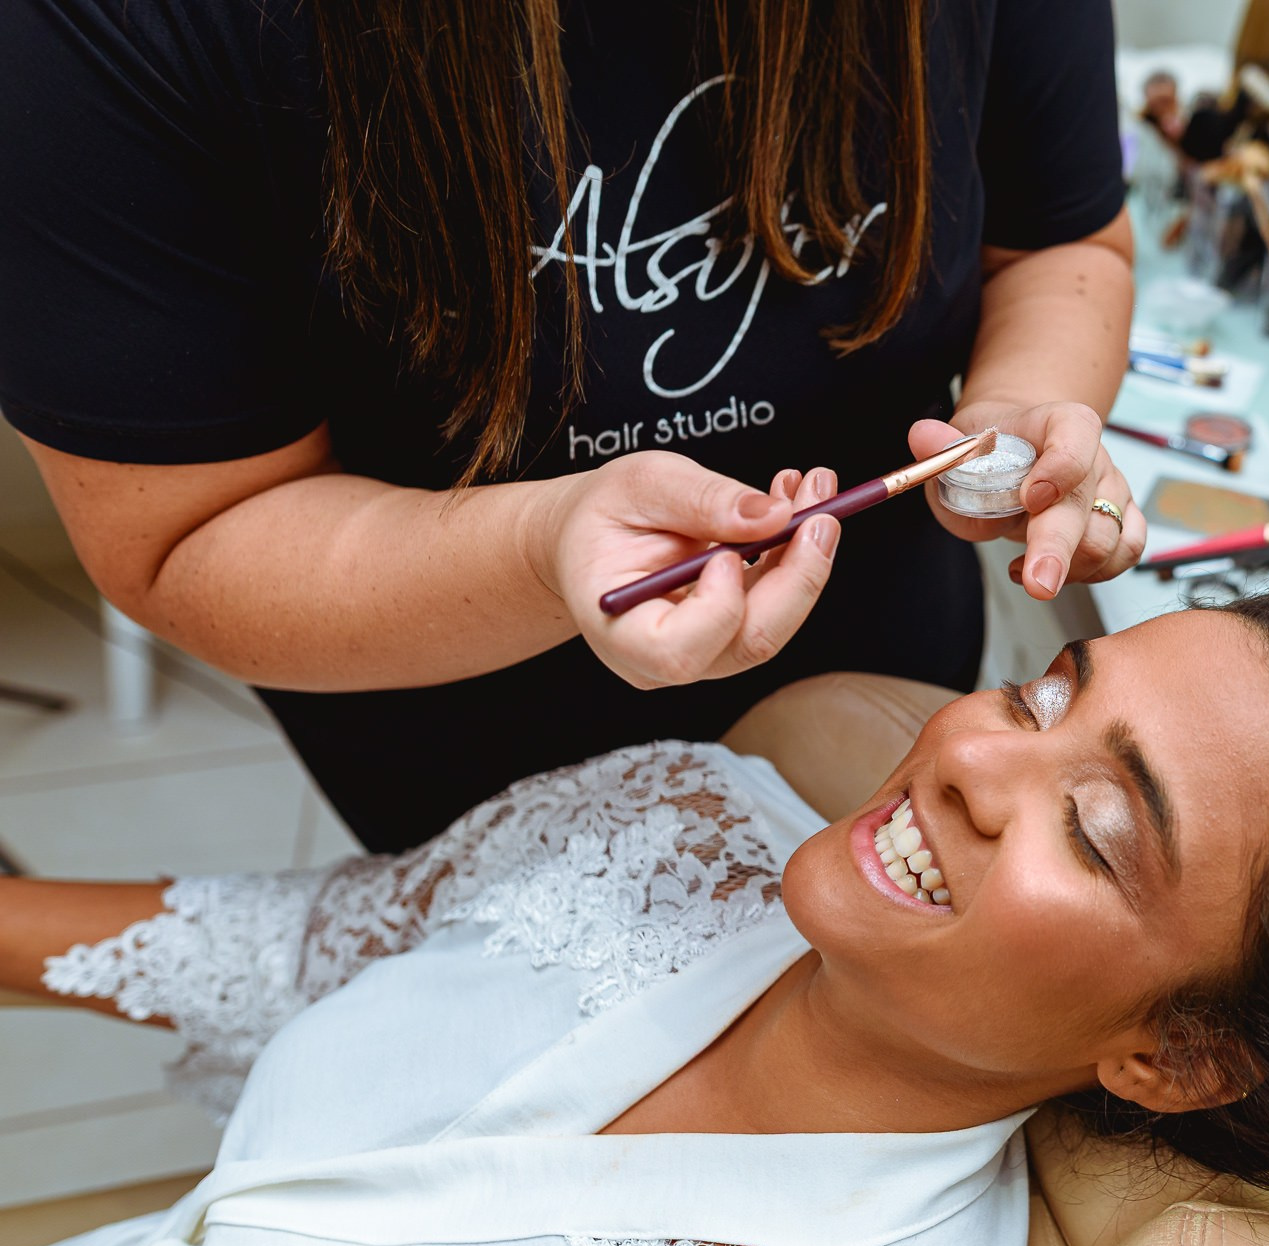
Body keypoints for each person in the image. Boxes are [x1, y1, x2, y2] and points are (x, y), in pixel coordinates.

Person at [0, 553, 1269, 1246]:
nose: (963, 756)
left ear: (1172, 1054)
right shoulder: (681, 817)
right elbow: (299, 945)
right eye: (1041, 693)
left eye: (1093, 827)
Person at [0, 0, 1147, 854]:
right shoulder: (100, 35)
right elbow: (191, 530)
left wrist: (1010, 416)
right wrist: (541, 552)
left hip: (888, 678)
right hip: (470, 788)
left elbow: (1058, 244)